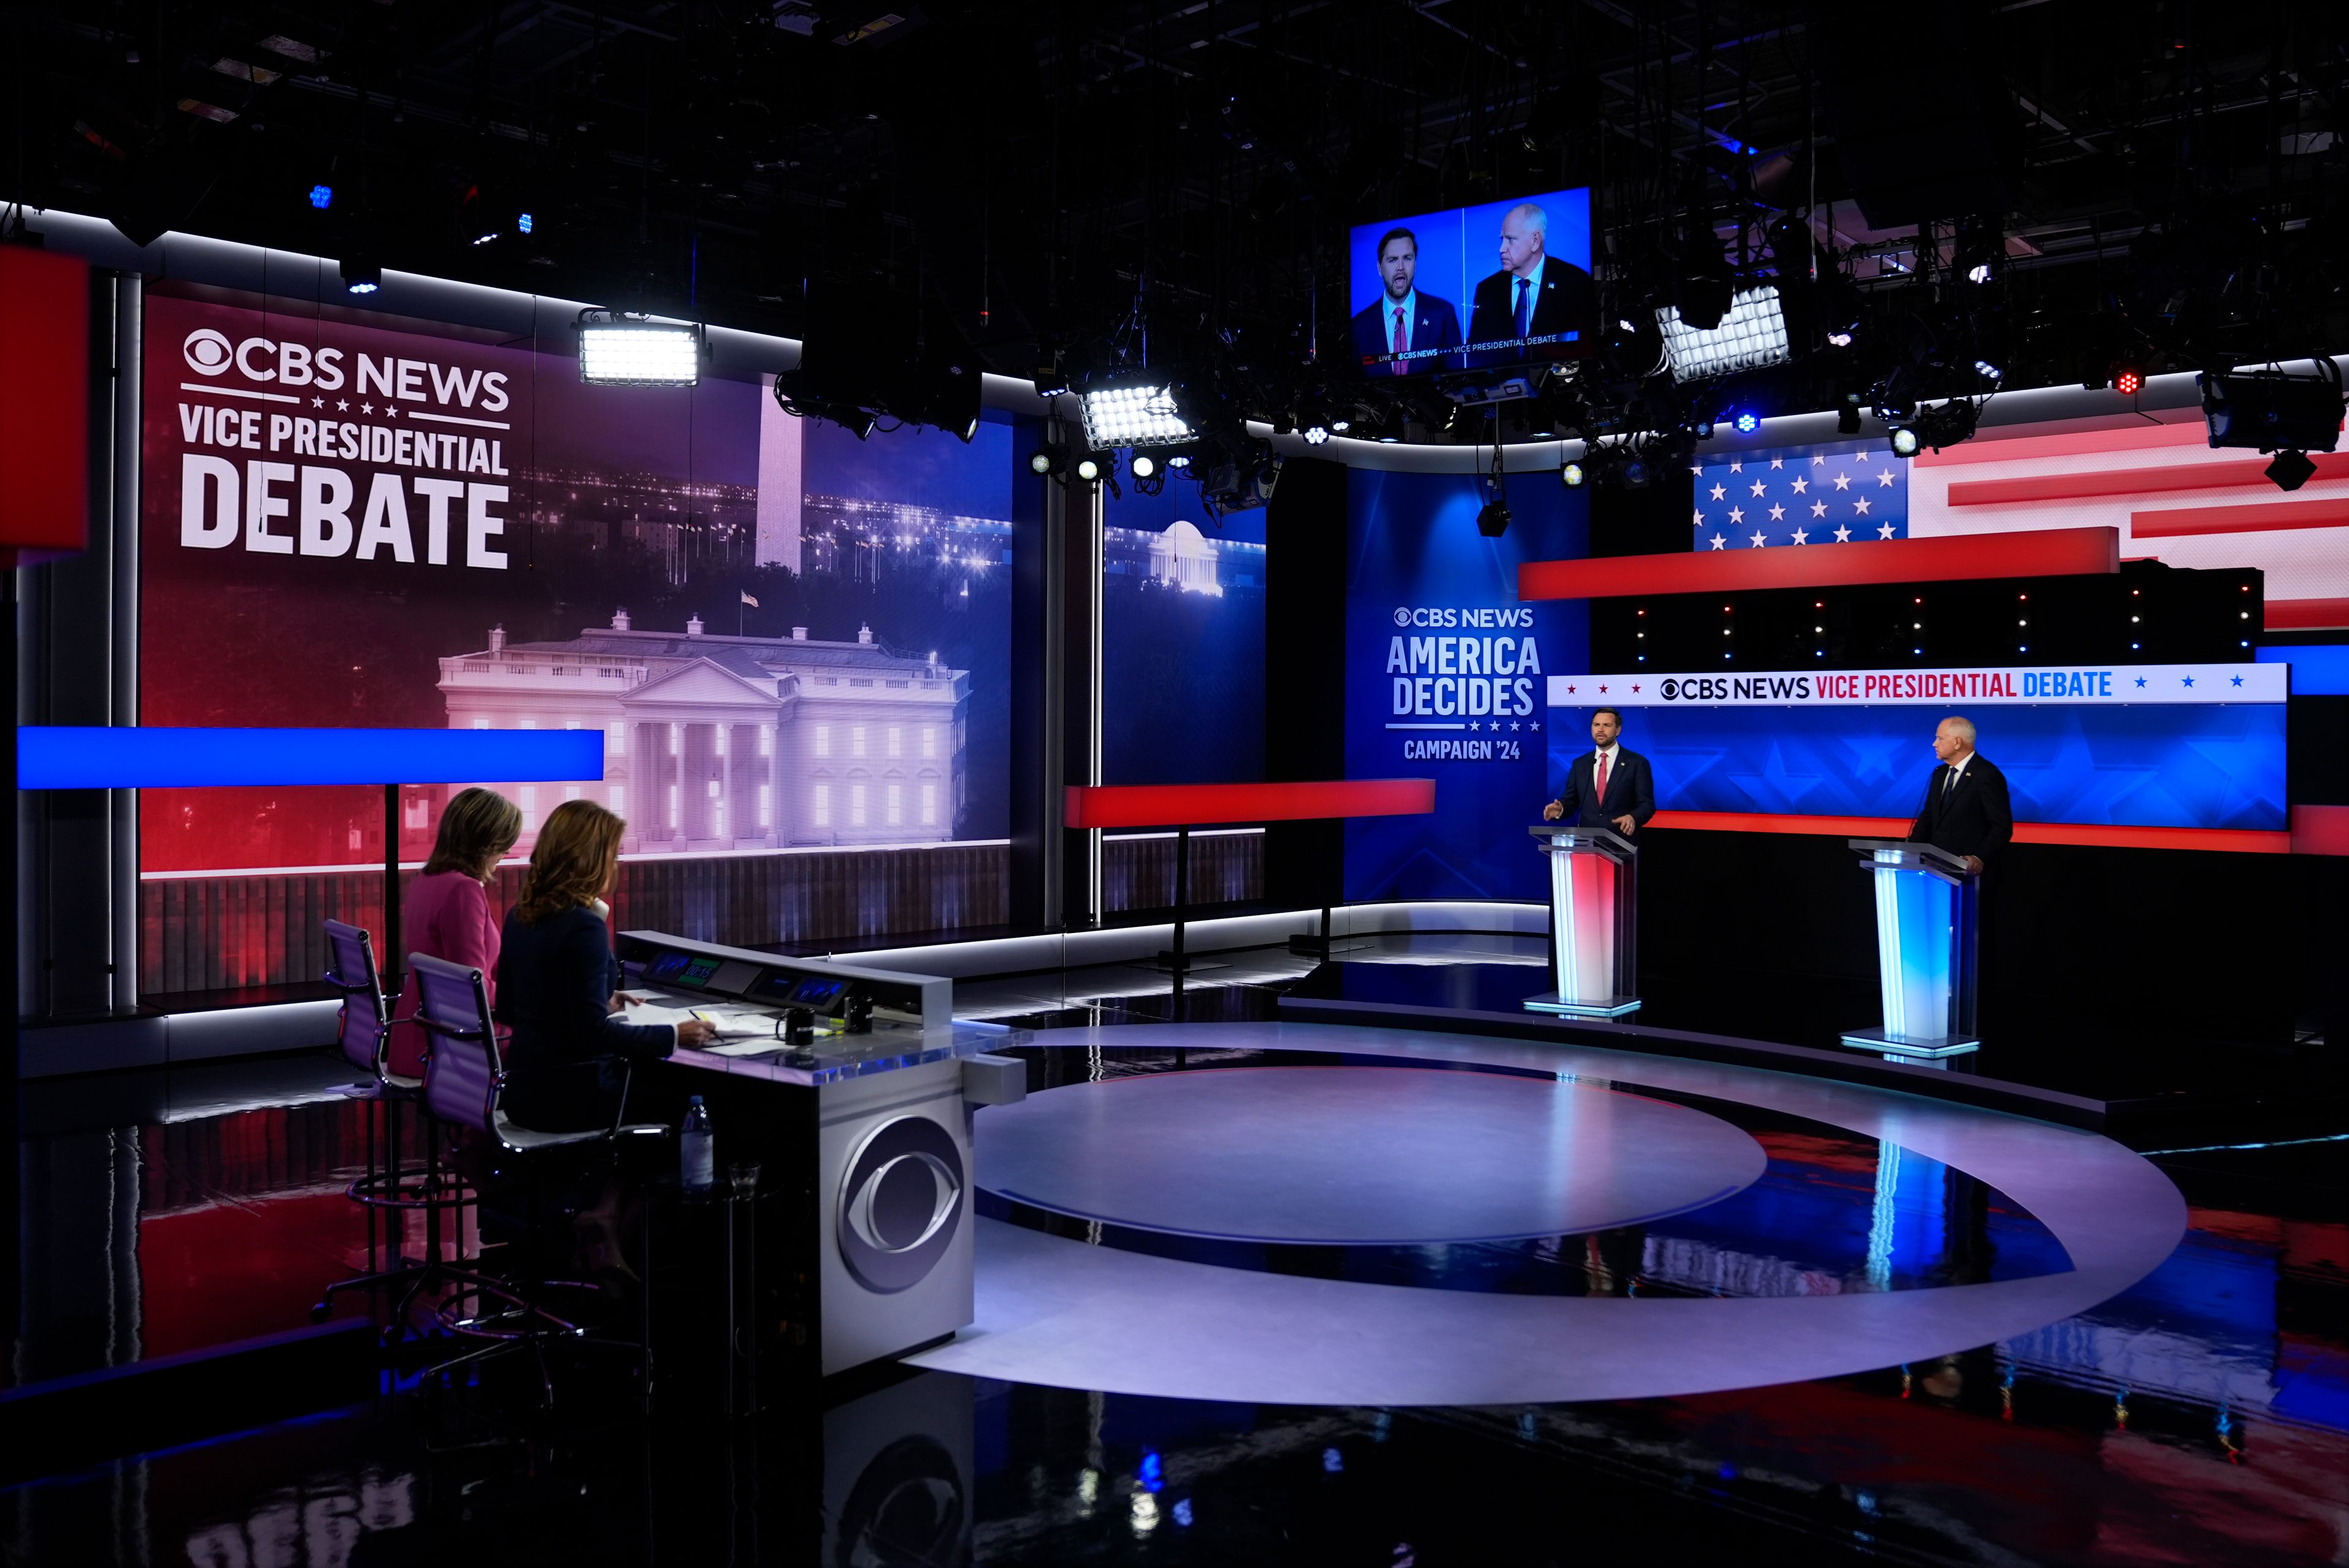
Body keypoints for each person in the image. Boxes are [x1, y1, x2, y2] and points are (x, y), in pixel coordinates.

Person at [496, 799, 714, 1133]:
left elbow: (511, 1010)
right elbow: (592, 1034)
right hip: (571, 1095)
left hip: (522, 1092)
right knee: (701, 1098)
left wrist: (599, 1001)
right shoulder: (584, 927)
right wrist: (675, 1034)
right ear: (589, 861)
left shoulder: (520, 915)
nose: (616, 866)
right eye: (613, 856)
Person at [387, 787, 523, 1079]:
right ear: (484, 843)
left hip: (420, 1035)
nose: (506, 853)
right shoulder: (464, 890)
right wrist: (532, 997)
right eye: (503, 844)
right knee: (566, 1042)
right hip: (450, 1043)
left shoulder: (428, 878)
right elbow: (472, 987)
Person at [1466, 201, 1597, 365]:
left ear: (1535, 241)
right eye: (1502, 240)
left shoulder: (1573, 281)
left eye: (1510, 239)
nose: (1502, 248)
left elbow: (1584, 345)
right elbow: (1476, 354)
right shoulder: (1488, 289)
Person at [1350, 226, 1463, 376]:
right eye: (1392, 260)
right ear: (1379, 268)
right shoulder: (1359, 326)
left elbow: (1457, 379)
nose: (1401, 268)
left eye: (1407, 258)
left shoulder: (1442, 314)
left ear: (1415, 264)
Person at [1907, 715, 2012, 875]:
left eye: (1940, 739)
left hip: (1969, 875)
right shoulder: (1939, 774)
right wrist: (1910, 852)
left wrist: (1979, 857)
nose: (1934, 744)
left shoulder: (1986, 775)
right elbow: (1928, 817)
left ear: (1957, 742)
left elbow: (2001, 826)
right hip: (1936, 870)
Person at [1543, 706, 1655, 838]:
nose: (1600, 730)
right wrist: (1561, 809)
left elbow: (1647, 805)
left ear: (1618, 730)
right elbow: (1571, 801)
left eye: (1607, 725)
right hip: (1587, 844)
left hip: (1622, 843)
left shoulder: (1637, 763)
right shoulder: (1580, 764)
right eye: (1596, 725)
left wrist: (1633, 817)